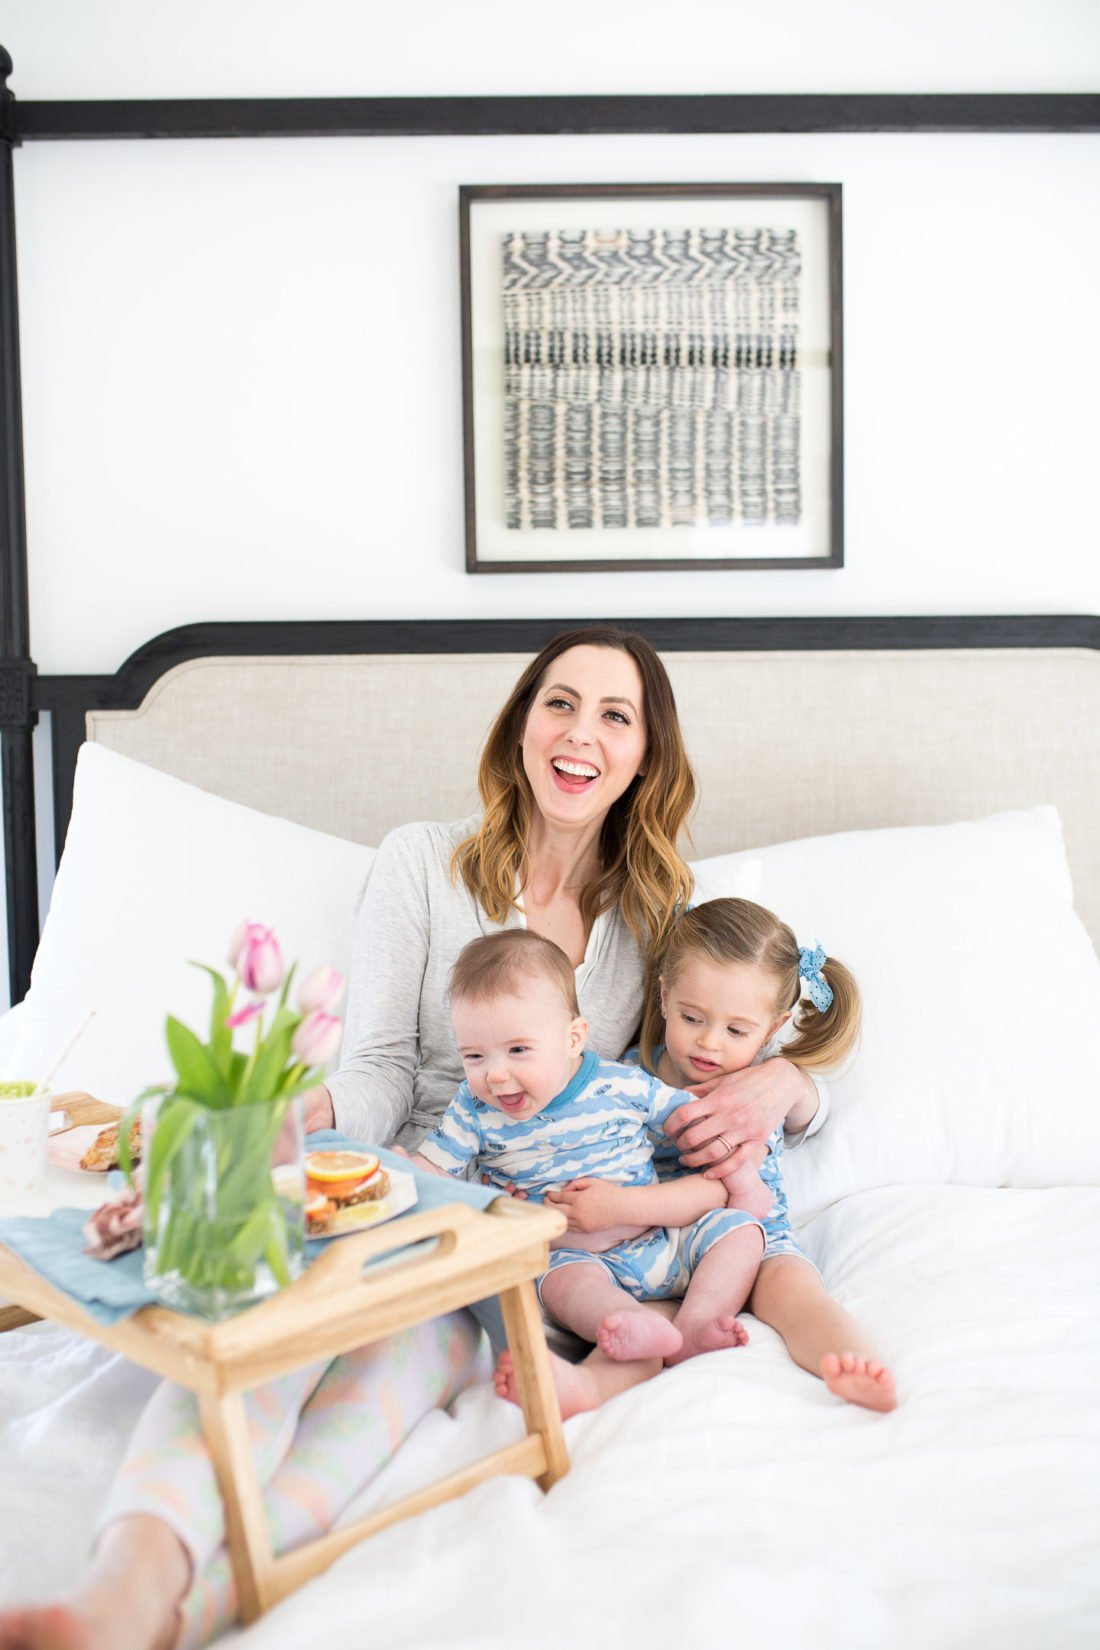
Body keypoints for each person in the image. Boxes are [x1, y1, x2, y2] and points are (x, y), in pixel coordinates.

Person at [0, 628, 825, 1650]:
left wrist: (788, 1081)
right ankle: (127, 1580)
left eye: (616, 716)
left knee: (389, 1380)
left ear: (645, 755)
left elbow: (716, 1047)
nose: (580, 733)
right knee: (271, 1331)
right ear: (521, 722)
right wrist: (270, 1129)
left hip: (514, 1235)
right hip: (402, 1172)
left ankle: (188, 1610)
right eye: (558, 702)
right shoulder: (419, 862)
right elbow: (381, 1066)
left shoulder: (652, 914)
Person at [549, 897, 896, 1413]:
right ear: (664, 998)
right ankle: (588, 1388)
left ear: (773, 1029)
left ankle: (851, 1362)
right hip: (652, 1247)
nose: (709, 1044)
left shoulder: (755, 1096)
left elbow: (742, 1197)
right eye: (692, 1017)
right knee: (640, 1328)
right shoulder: (624, 1079)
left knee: (798, 1292)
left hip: (749, 1239)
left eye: (737, 1031)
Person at [415, 930, 768, 1413]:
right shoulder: (472, 1109)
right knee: (560, 1284)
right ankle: (625, 1333)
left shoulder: (620, 1085)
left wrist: (745, 1182)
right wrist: (397, 1173)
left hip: (661, 1238)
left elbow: (702, 1128)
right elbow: (432, 1173)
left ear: (572, 1038)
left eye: (517, 1050)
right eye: (474, 1056)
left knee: (742, 1233)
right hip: (576, 1259)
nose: (495, 1075)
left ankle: (694, 1325)